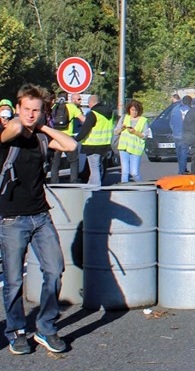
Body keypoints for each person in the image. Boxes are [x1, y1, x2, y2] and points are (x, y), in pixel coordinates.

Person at [1, 84, 78, 355]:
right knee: (13, 280)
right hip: (11, 219)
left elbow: (72, 145)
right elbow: (13, 130)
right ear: (18, 108)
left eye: (36, 110)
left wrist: (43, 127)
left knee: (55, 270)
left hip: (41, 216)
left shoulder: (42, 137)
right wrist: (19, 121)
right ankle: (16, 330)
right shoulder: (7, 133)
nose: (31, 114)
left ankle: (46, 327)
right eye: (26, 109)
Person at [74, 94, 114, 186]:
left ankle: (96, 187)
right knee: (98, 166)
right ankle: (90, 186)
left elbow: (85, 129)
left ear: (91, 103)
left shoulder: (93, 114)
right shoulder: (110, 113)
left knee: (94, 167)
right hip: (105, 144)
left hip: (93, 145)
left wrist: (76, 139)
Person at [49, 92, 83, 183]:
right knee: (73, 161)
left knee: (55, 162)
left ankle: (54, 181)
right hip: (68, 137)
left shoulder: (53, 107)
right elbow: (83, 119)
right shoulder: (72, 107)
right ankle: (73, 181)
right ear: (67, 98)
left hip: (56, 137)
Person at [169, 95, 193, 174]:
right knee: (184, 153)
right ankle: (182, 171)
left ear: (182, 101)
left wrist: (174, 131)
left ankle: (182, 169)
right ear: (190, 103)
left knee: (179, 153)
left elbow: (171, 123)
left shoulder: (175, 109)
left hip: (176, 135)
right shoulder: (190, 110)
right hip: (185, 135)